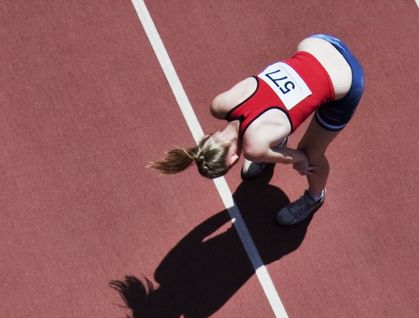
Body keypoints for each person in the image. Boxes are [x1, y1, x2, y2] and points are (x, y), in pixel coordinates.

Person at [149, 34, 365, 226]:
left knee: (311, 154)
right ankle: (274, 143)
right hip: (318, 43)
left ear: (234, 159)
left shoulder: (253, 148)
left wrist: (300, 162)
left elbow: (298, 157)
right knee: (265, 135)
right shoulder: (220, 105)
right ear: (207, 137)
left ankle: (315, 197)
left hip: (348, 79)